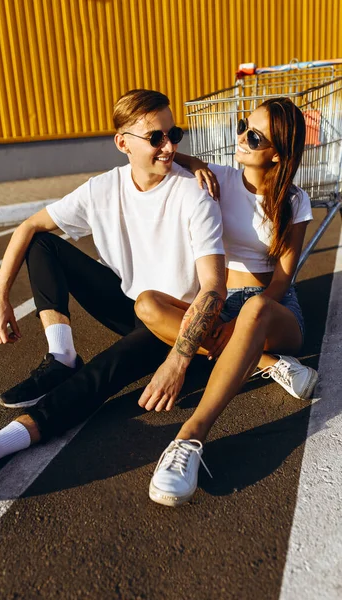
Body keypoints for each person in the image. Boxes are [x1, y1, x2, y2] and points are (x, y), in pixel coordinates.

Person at [0, 89, 226, 513]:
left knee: (100, 375)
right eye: (156, 138)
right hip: (132, 306)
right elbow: (28, 226)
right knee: (42, 242)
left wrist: (178, 361)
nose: (169, 146)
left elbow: (214, 288)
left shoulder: (192, 195)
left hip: (174, 324)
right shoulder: (102, 189)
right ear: (123, 142)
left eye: (175, 134)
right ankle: (61, 355)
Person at [134, 97, 318, 507]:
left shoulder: (294, 201)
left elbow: (283, 281)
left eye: (253, 136)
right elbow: (163, 155)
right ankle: (268, 365)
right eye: (241, 126)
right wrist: (195, 163)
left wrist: (241, 323)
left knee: (253, 309)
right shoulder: (216, 177)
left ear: (276, 152)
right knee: (147, 304)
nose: (240, 138)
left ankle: (189, 438)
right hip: (225, 304)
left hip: (274, 309)